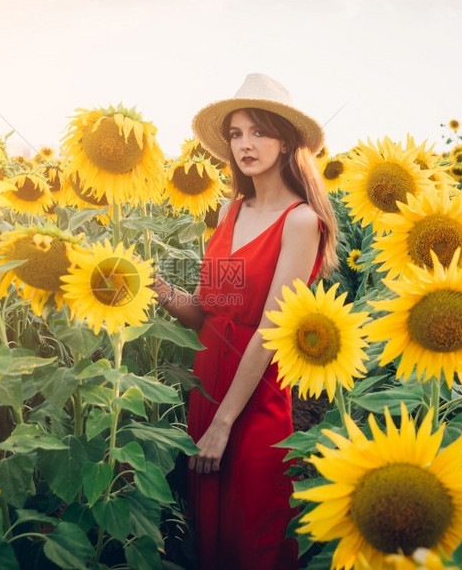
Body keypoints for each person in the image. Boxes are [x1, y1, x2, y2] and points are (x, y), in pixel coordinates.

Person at [151, 73, 339, 569]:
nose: (245, 144)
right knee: (208, 533)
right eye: (236, 134)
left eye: (258, 131)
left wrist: (224, 422)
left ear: (285, 141)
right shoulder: (227, 212)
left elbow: (270, 329)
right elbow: (207, 314)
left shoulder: (300, 222)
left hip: (252, 398)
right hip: (206, 385)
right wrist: (155, 286)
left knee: (254, 529)